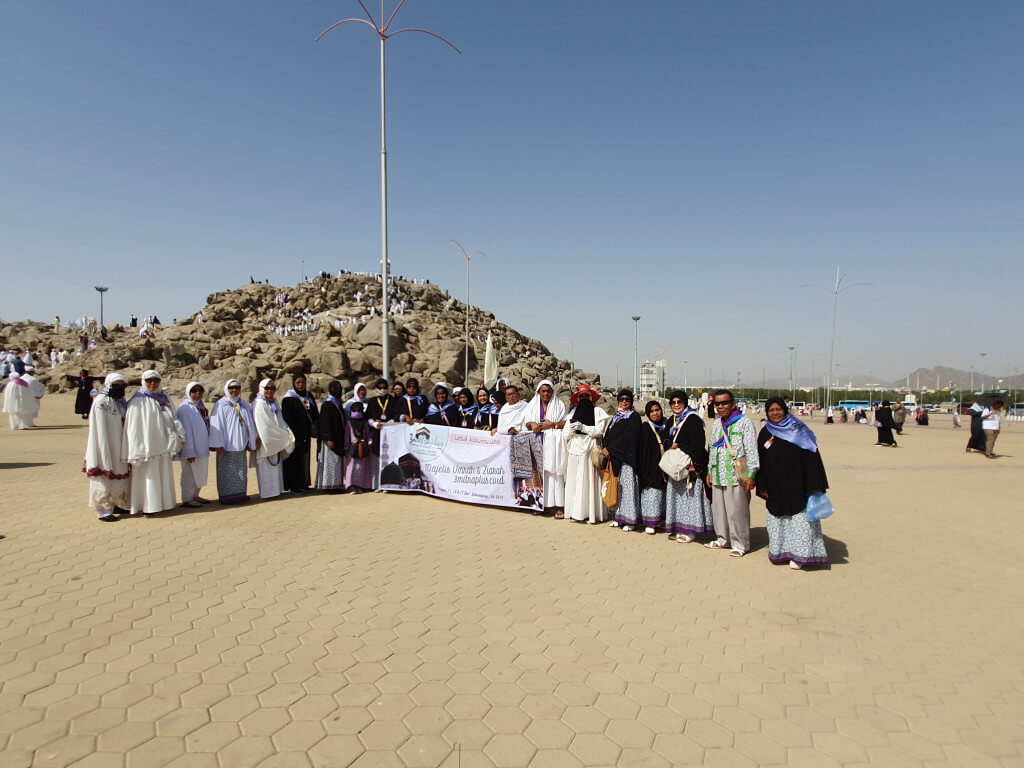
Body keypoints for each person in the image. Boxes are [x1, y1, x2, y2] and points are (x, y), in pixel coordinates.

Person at [755, 397, 830, 569]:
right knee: (778, 520)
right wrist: (762, 485)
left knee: (800, 521)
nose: (775, 413)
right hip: (775, 485)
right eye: (771, 410)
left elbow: (812, 456)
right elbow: (761, 461)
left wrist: (814, 485)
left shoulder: (798, 429)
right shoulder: (766, 432)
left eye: (778, 409)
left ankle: (800, 556)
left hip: (798, 484)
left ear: (785, 409)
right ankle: (781, 552)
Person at [705, 389, 759, 558]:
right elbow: (712, 448)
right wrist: (709, 470)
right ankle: (723, 539)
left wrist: (752, 474)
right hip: (718, 474)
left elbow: (751, 450)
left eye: (724, 403)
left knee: (737, 511)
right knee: (719, 510)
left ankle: (740, 543)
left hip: (736, 475)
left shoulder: (744, 423)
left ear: (733, 404)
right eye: (717, 404)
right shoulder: (716, 424)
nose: (720, 407)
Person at [125, 370, 183, 515]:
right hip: (147, 447)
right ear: (143, 382)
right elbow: (133, 427)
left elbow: (173, 416)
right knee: (148, 476)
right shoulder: (138, 400)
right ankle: (148, 506)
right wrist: (136, 448)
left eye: (156, 380)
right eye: (149, 380)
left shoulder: (164, 397)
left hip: (163, 445)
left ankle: (165, 504)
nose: (152, 383)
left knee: (162, 474)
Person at [662, 390, 712, 543]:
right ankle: (679, 527)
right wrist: (671, 444)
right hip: (676, 467)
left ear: (685, 403)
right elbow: (665, 439)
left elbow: (697, 443)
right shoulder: (672, 420)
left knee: (690, 499)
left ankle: (690, 531)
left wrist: (696, 465)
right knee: (677, 499)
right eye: (673, 402)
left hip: (689, 466)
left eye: (679, 402)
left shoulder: (693, 419)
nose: (676, 405)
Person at [84, 373, 130, 522]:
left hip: (119, 446)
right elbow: (100, 429)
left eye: (122, 386)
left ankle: (117, 503)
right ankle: (103, 511)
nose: (119, 389)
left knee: (119, 476)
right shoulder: (101, 402)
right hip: (105, 445)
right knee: (104, 476)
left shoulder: (119, 402)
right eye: (116, 385)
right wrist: (104, 449)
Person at [561, 385, 610, 524]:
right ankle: (575, 512)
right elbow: (565, 435)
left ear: (591, 397)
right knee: (575, 480)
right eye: (580, 396)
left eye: (586, 396)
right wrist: (572, 429)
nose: (583, 399)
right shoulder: (571, 414)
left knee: (589, 481)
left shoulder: (598, 412)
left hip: (589, 449)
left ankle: (591, 513)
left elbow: (599, 431)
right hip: (575, 448)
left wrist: (583, 427)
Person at [523, 380, 568, 518]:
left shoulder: (559, 404)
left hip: (554, 443)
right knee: (542, 475)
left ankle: (559, 506)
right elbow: (526, 422)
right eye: (543, 391)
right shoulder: (532, 405)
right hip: (538, 442)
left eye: (548, 391)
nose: (546, 393)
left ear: (552, 392)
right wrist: (532, 424)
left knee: (556, 475)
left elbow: (566, 423)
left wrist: (553, 424)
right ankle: (543, 505)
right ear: (538, 392)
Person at [209, 380, 257, 504]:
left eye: (237, 388)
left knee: (240, 473)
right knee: (227, 473)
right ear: (226, 389)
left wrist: (251, 442)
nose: (234, 390)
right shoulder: (220, 405)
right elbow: (215, 425)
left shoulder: (244, 404)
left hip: (240, 445)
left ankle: (240, 495)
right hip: (226, 447)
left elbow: (250, 424)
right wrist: (217, 444)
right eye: (231, 388)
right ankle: (227, 497)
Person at [604, 390, 642, 531]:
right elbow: (608, 433)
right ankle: (618, 517)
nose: (624, 402)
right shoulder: (617, 416)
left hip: (626, 459)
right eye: (621, 399)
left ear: (631, 401)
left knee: (628, 489)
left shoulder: (634, 417)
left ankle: (630, 520)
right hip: (614, 459)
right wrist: (605, 446)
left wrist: (611, 449)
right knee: (617, 488)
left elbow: (628, 437)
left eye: (627, 399)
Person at [251, 379, 295, 499]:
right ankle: (267, 493)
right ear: (262, 389)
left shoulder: (273, 403)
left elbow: (279, 421)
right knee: (265, 468)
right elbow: (263, 425)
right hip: (266, 440)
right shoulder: (259, 403)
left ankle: (275, 491)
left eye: (272, 388)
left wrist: (284, 433)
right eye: (267, 388)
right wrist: (276, 436)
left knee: (275, 467)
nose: (270, 391)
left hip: (275, 439)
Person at [281, 374, 319, 494]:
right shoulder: (289, 399)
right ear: (294, 383)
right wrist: (294, 434)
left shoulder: (308, 396)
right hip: (295, 435)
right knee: (295, 460)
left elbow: (315, 413)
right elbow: (287, 418)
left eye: (303, 382)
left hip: (306, 434)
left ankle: (304, 483)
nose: (301, 385)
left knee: (305, 459)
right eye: (298, 382)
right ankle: (295, 486)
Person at [176, 382, 211, 508]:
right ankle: (187, 498)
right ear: (188, 393)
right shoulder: (185, 408)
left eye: (200, 391)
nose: (197, 394)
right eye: (194, 391)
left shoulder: (200, 406)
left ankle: (195, 495)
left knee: (200, 472)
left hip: (201, 447)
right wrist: (188, 451)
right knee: (189, 475)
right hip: (191, 448)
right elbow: (185, 431)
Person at [637, 400, 668, 534]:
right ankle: (650, 522)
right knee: (651, 495)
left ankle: (661, 520)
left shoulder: (667, 426)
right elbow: (642, 450)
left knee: (663, 494)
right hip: (650, 468)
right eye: (652, 411)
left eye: (657, 410)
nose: (655, 413)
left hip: (665, 467)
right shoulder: (645, 427)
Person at [316, 381, 347, 493]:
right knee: (330, 463)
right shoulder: (327, 404)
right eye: (335, 388)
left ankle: (337, 485)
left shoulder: (338, 404)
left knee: (337, 463)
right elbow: (324, 423)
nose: (337, 390)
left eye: (339, 388)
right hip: (331, 440)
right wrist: (329, 438)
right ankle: (329, 485)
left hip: (339, 439)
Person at [344, 401, 375, 492]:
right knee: (352, 467)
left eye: (358, 411)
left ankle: (361, 485)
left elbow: (367, 433)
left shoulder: (364, 423)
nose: (356, 413)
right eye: (354, 411)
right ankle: (351, 485)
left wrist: (369, 441)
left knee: (362, 468)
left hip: (362, 447)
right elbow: (347, 436)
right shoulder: (349, 423)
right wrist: (346, 447)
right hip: (353, 448)